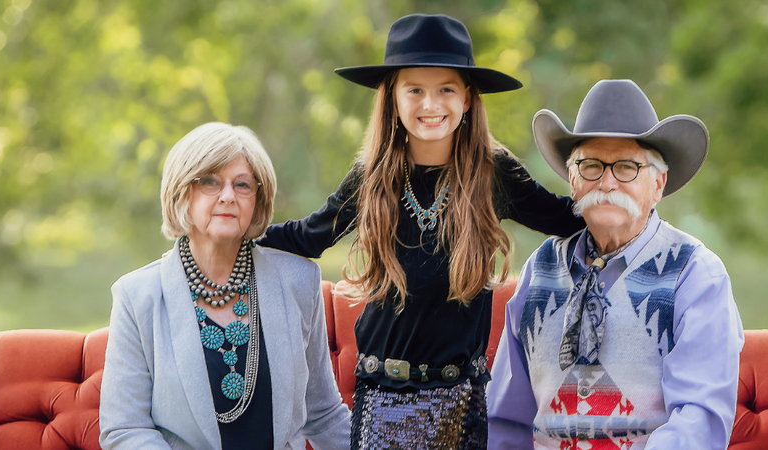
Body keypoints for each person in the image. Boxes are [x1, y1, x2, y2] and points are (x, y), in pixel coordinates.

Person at [257, 14, 584, 450]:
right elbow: (307, 236)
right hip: (381, 398)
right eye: (414, 90)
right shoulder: (372, 175)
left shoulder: (491, 172)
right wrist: (228, 238)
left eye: (446, 89)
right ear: (392, 99)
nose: (431, 104)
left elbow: (567, 220)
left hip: (461, 398)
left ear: (467, 99)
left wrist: (617, 185)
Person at [486, 80, 745, 450]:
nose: (607, 182)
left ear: (658, 183)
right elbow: (505, 419)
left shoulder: (694, 273)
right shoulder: (540, 269)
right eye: (591, 165)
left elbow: (698, 422)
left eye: (627, 167)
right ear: (572, 181)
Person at [101, 122, 351, 450]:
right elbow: (124, 428)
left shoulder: (297, 281)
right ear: (181, 192)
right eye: (210, 182)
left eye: (243, 184)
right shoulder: (138, 296)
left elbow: (324, 414)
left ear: (257, 199)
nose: (229, 196)